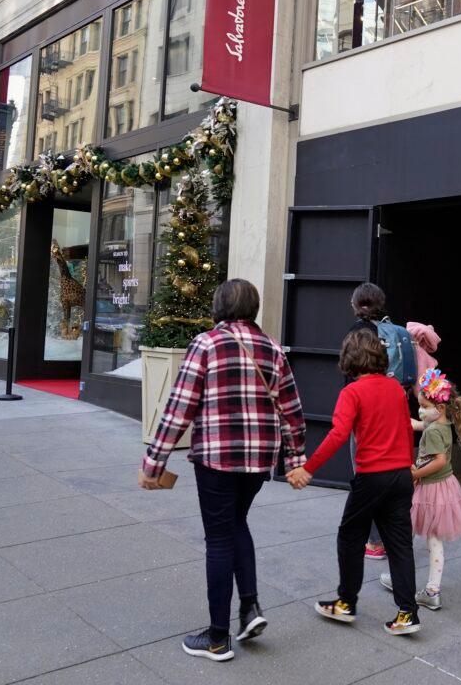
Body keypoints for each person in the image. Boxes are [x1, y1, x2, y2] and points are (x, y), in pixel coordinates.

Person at [139, 279, 306, 662]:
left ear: (219, 306)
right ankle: (249, 609)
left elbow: (179, 407)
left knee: (218, 538)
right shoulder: (273, 349)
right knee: (236, 524)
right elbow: (293, 414)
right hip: (259, 458)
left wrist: (154, 462)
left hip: (216, 457)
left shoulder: (206, 344)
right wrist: (295, 461)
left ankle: (217, 638)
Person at [286, 329, 421, 635]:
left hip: (372, 476)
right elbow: (403, 429)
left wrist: (307, 468)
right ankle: (407, 614)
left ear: (349, 358)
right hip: (401, 475)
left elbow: (337, 434)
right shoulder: (396, 389)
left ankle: (346, 603)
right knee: (400, 545)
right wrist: (407, 467)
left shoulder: (352, 392)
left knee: (350, 536)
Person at [380, 368, 461, 610]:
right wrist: (410, 422)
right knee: (426, 538)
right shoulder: (442, 424)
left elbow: (439, 461)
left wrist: (415, 473)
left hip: (430, 490)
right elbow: (422, 425)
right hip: (443, 489)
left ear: (440, 408)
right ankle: (427, 588)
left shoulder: (434, 430)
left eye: (423, 406)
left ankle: (404, 579)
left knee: (410, 534)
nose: (420, 411)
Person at [347, 282, 389, 562]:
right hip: (391, 409)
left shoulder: (355, 335)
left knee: (364, 476)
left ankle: (374, 542)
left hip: (363, 413)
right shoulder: (391, 331)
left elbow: (348, 374)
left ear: (355, 304)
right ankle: (390, 535)